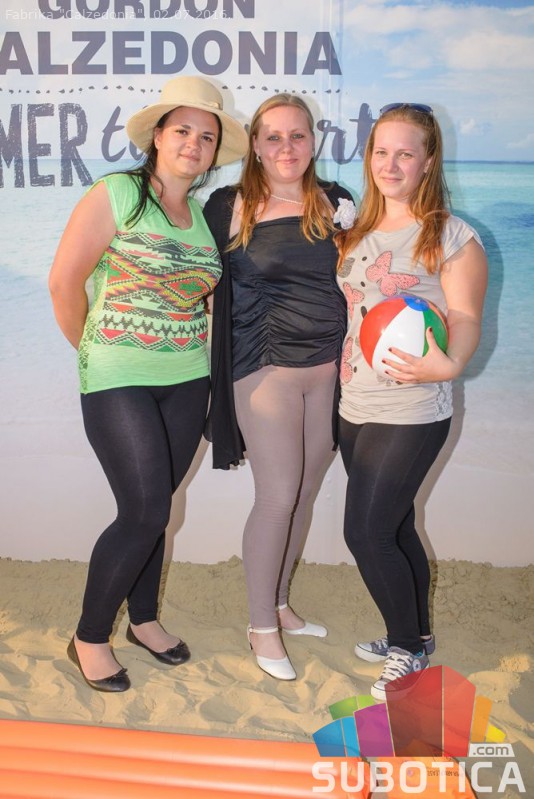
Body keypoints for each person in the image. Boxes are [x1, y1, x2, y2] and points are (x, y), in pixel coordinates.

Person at [48, 76, 248, 692]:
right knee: (145, 509)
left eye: (206, 136)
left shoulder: (203, 218)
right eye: (182, 129)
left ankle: (144, 620)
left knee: (156, 509)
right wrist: (97, 350)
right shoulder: (118, 194)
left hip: (188, 379)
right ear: (157, 136)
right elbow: (64, 282)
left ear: (214, 151)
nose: (194, 143)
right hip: (119, 376)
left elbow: (205, 300)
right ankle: (89, 636)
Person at [335, 103, 488, 701]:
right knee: (395, 526)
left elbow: (466, 316)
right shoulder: (357, 231)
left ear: (428, 162)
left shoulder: (450, 235)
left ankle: (406, 651)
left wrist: (450, 364)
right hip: (355, 403)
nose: (390, 164)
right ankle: (417, 634)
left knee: (366, 531)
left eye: (405, 153)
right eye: (381, 151)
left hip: (413, 408)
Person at [203, 93, 355, 680]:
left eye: (297, 136)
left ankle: (282, 604)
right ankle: (260, 625)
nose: (286, 147)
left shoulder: (335, 200)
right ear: (256, 144)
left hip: (329, 370)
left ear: (313, 141)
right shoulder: (230, 204)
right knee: (277, 495)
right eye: (273, 137)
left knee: (305, 493)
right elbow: (203, 282)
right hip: (264, 367)